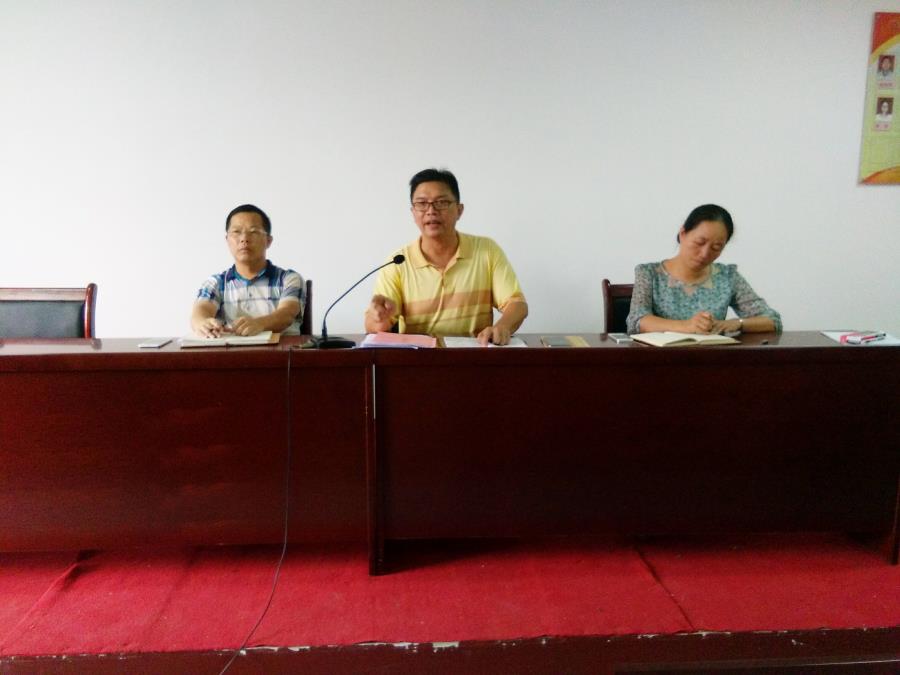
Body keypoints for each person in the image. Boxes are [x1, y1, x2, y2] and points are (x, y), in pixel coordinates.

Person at [364, 168, 527, 345]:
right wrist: (379, 319)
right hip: (419, 358)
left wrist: (502, 327)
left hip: (473, 356)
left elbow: (517, 304)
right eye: (422, 203)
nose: (431, 211)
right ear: (413, 212)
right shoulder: (398, 262)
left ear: (459, 210)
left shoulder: (487, 251)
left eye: (441, 202)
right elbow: (375, 326)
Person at [625, 203, 781, 335]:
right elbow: (637, 320)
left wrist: (737, 323)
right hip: (660, 359)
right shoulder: (649, 273)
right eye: (699, 242)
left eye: (716, 247)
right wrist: (687, 326)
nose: (705, 253)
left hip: (711, 358)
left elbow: (772, 320)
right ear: (683, 234)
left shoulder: (727, 276)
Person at [191, 204, 305, 337]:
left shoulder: (289, 279)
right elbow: (200, 311)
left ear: (268, 241)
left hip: (283, 350)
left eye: (253, 232)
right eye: (236, 232)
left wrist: (260, 324)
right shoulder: (215, 282)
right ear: (227, 240)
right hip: (231, 350)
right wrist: (202, 323)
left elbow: (287, 314)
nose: (244, 239)